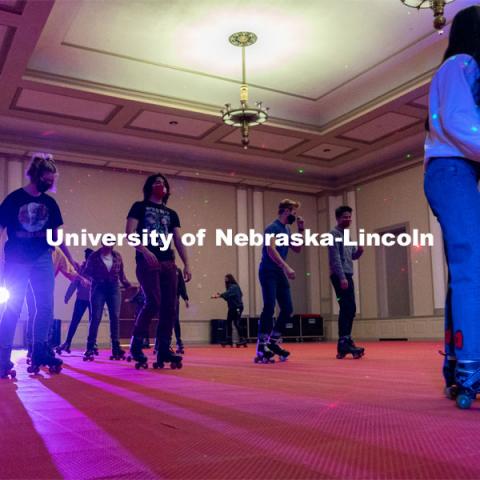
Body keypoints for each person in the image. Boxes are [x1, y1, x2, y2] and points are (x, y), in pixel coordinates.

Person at [423, 5, 480, 409]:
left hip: (453, 172)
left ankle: (459, 369)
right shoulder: (462, 63)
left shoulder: (458, 66)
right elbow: (460, 122)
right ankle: (471, 371)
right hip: (451, 170)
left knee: (464, 270)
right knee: (471, 268)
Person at [0, 153, 76, 377]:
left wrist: (71, 259)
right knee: (13, 307)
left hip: (43, 257)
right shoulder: (14, 199)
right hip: (16, 259)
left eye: (53, 178)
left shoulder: (50, 203)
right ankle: (3, 356)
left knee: (45, 306)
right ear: (36, 175)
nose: (51, 181)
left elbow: (56, 236)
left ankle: (40, 350)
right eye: (47, 177)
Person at [126, 173, 191, 369]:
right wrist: (144, 250)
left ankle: (163, 348)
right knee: (153, 302)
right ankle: (136, 345)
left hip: (168, 262)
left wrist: (187, 263)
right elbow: (129, 234)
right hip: (148, 261)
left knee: (170, 307)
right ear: (149, 186)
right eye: (156, 182)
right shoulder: (139, 206)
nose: (160, 185)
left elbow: (178, 240)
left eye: (163, 183)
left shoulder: (172, 213)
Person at [255, 199, 305, 363]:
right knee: (269, 306)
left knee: (287, 309)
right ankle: (262, 344)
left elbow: (297, 248)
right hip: (268, 271)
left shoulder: (287, 229)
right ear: (285, 211)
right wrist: (286, 267)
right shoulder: (272, 228)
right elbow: (271, 249)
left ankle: (273, 341)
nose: (294, 215)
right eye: (293, 212)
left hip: (279, 272)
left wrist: (301, 230)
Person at [24, 246, 88, 360]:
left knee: (47, 314)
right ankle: (33, 347)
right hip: (30, 286)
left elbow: (68, 269)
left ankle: (44, 346)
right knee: (34, 313)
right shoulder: (35, 247)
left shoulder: (57, 252)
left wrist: (80, 278)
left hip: (46, 287)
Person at [82, 243, 131, 361]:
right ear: (103, 244)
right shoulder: (94, 256)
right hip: (98, 287)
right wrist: (93, 280)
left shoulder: (117, 256)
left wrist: (126, 284)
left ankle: (116, 347)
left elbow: (121, 273)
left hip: (114, 287)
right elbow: (87, 272)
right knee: (96, 317)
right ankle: (90, 347)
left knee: (115, 317)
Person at [328, 206, 364, 359]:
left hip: (348, 274)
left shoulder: (347, 235)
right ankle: (343, 341)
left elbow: (352, 256)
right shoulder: (333, 234)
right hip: (339, 276)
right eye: (345, 217)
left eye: (349, 217)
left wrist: (359, 251)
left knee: (351, 308)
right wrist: (342, 277)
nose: (348, 219)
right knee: (346, 307)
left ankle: (346, 340)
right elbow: (335, 258)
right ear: (337, 218)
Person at [56, 248, 94, 354]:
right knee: (75, 321)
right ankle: (67, 343)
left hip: (93, 301)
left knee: (93, 322)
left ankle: (91, 345)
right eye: (88, 257)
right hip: (81, 299)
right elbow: (75, 282)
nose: (89, 259)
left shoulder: (96, 269)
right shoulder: (81, 269)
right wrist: (67, 296)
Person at [211, 274, 246, 347]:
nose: (225, 280)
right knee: (229, 322)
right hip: (232, 307)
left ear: (230, 279)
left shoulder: (234, 287)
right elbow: (228, 296)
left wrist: (219, 295)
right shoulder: (231, 288)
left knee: (236, 323)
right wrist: (221, 296)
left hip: (237, 307)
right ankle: (229, 340)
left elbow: (228, 294)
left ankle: (242, 339)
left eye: (226, 278)